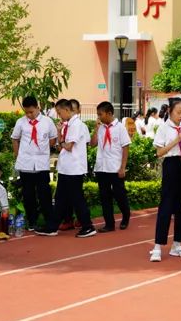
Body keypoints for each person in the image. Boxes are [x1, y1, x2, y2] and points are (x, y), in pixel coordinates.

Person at [39, 99, 96, 237]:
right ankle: (52, 226)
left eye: (59, 112)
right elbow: (60, 146)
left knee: (76, 198)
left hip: (74, 168)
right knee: (60, 198)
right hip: (66, 167)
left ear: (66, 110)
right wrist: (59, 133)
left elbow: (69, 146)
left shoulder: (76, 125)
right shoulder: (68, 125)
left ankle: (88, 226)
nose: (59, 115)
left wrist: (62, 140)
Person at [150, 98, 181, 262]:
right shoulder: (163, 127)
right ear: (170, 111)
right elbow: (159, 152)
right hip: (170, 165)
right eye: (178, 112)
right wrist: (177, 140)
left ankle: (177, 245)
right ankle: (157, 247)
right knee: (166, 206)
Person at [11, 96, 58, 233]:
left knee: (44, 194)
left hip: (41, 164)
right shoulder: (21, 122)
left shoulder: (47, 122)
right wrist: (18, 154)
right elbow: (15, 139)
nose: (29, 115)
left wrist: (43, 150)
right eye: (27, 112)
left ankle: (49, 221)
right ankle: (32, 221)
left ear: (38, 108)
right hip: (26, 164)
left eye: (31, 112)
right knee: (28, 195)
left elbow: (53, 138)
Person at [91, 101, 132, 232]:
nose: (98, 117)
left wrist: (122, 167)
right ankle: (109, 224)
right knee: (105, 196)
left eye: (100, 114)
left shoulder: (120, 128)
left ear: (109, 113)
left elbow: (125, 148)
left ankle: (126, 215)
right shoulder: (101, 127)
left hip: (115, 167)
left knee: (119, 194)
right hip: (102, 167)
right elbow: (92, 144)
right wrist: (96, 129)